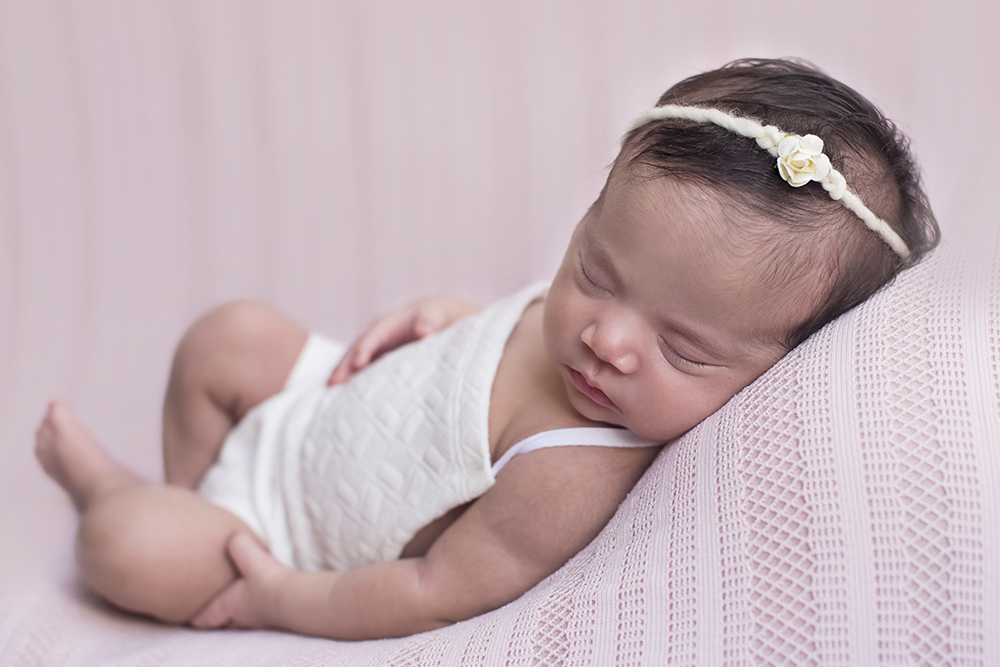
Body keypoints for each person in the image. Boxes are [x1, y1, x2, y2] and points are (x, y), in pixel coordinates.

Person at [35, 58, 939, 641]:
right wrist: (448, 316)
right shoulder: (609, 313)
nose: (606, 338)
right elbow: (496, 342)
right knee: (225, 334)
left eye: (682, 347)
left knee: (129, 545)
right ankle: (192, 486)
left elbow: (432, 587)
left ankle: (126, 495)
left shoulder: (572, 469)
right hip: (324, 406)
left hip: (281, 536)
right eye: (597, 270)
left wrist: (276, 598)